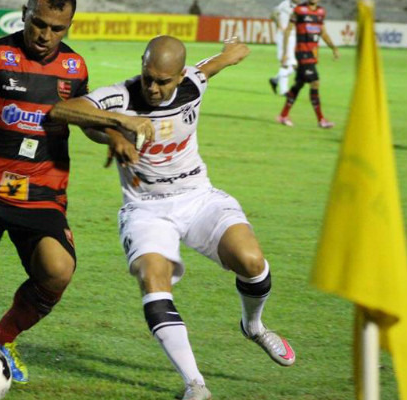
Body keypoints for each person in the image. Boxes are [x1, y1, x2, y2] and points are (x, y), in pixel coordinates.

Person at [0, 0, 154, 389]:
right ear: (25, 13)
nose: (46, 35)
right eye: (39, 24)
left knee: (57, 271)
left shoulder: (75, 68)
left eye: (58, 28)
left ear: (69, 24)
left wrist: (112, 135)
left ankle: (1, 341)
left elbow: (82, 119)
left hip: (41, 191)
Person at [49, 36, 296, 400]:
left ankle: (253, 326)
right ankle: (195, 384)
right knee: (153, 277)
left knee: (252, 262)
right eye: (148, 77)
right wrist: (116, 128)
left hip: (198, 197)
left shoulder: (192, 82)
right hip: (145, 209)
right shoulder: (122, 95)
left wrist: (229, 55)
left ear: (180, 75)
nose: (152, 87)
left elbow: (209, 67)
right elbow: (64, 111)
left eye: (163, 81)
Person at [277, 0, 339, 128]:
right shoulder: (299, 10)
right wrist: (284, 53)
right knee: (315, 82)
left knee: (299, 84)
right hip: (302, 53)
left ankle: (283, 115)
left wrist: (333, 48)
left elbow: (323, 33)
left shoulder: (321, 12)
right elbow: (288, 30)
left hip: (312, 54)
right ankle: (321, 120)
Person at [268, 0, 298, 95]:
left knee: (295, 65)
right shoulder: (285, 4)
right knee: (285, 62)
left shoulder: (299, 6)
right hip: (284, 36)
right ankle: (283, 91)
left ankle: (275, 80)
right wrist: (279, 25)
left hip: (293, 36)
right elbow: (273, 14)